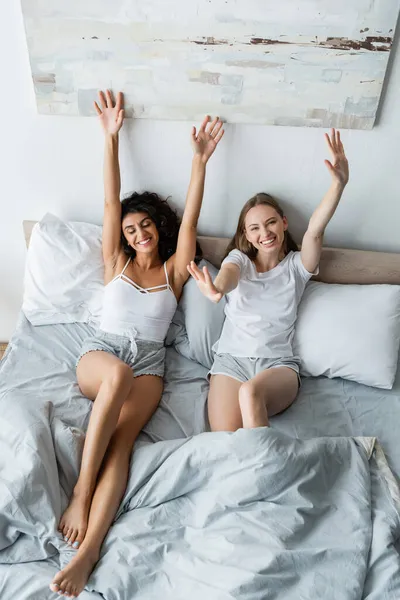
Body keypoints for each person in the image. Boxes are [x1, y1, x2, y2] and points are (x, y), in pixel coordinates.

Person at [50, 90, 224, 598]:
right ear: (123, 237)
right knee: (118, 377)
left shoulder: (172, 271)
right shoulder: (116, 264)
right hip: (101, 358)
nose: (139, 231)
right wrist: (110, 138)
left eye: (146, 224)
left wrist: (199, 162)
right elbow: (111, 200)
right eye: (131, 228)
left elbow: (189, 221)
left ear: (157, 228)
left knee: (123, 443)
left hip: (149, 364)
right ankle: (81, 492)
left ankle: (89, 551)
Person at [187, 128, 349, 432]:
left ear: (284, 223)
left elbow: (314, 231)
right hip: (230, 362)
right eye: (255, 228)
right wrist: (215, 288)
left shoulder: (297, 267)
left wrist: (338, 184)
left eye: (271, 222)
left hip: (278, 366)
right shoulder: (239, 260)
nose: (265, 233)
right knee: (224, 441)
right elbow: (227, 277)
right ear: (246, 235)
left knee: (250, 393)